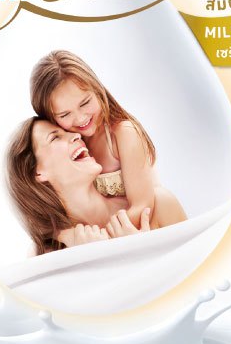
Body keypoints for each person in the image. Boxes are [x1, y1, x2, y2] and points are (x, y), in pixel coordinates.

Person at [6, 116, 186, 255]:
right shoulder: (46, 253)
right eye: (55, 137)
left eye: (67, 131)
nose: (76, 135)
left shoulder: (158, 205)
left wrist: (144, 252)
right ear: (37, 173)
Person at [30, 50, 158, 228]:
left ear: (97, 89)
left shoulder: (122, 134)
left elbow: (143, 206)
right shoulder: (70, 146)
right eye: (65, 114)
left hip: (150, 224)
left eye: (85, 103)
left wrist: (99, 239)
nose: (80, 118)